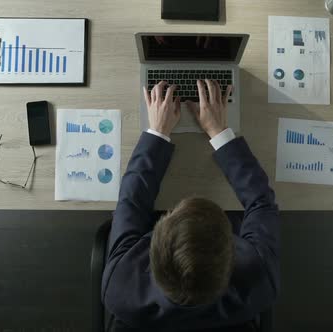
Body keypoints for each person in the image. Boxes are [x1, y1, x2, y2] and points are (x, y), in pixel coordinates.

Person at [101, 79, 280, 331]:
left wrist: (158, 131)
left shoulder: (120, 285)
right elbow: (262, 202)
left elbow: (131, 203)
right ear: (232, 253)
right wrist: (220, 132)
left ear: (152, 248)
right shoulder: (259, 281)